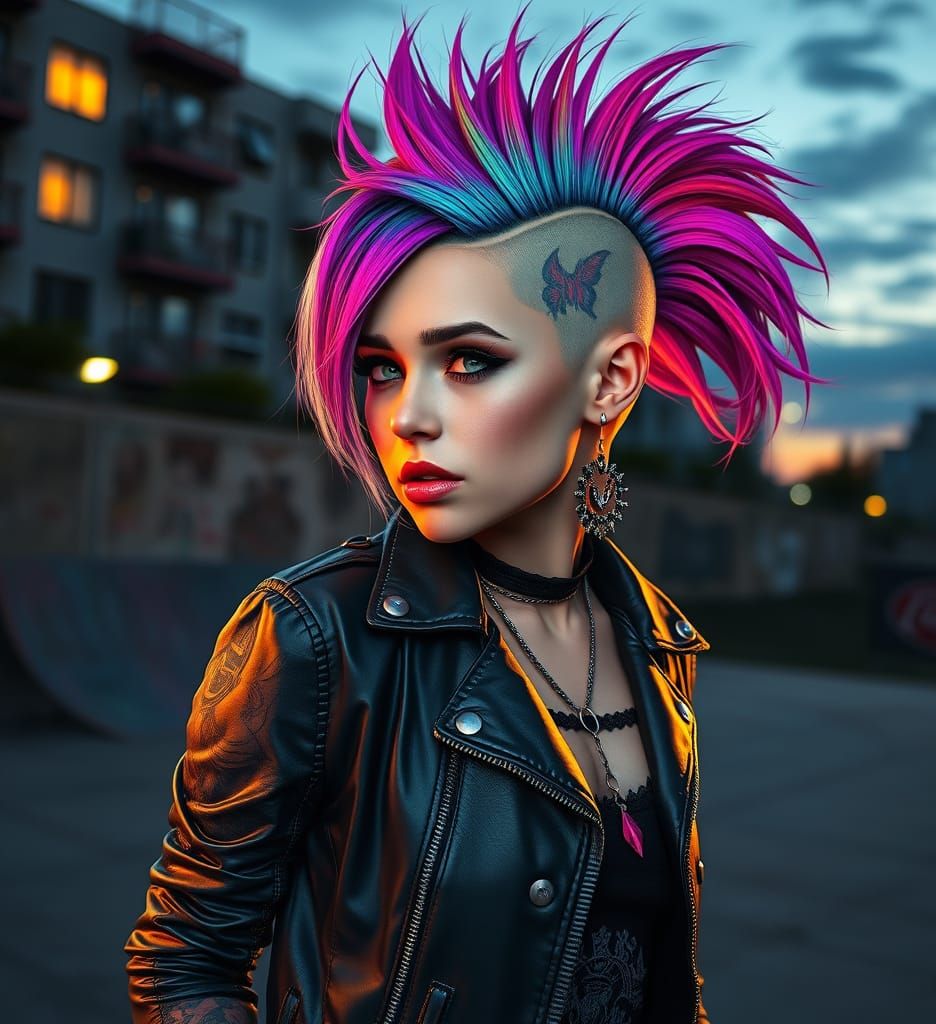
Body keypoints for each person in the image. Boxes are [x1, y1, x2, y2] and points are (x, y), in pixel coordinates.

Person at [124, 8, 829, 1023]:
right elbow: (184, 962)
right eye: (380, 366)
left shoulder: (652, 643)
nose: (406, 415)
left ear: (609, 379)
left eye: (468, 360)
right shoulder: (319, 639)